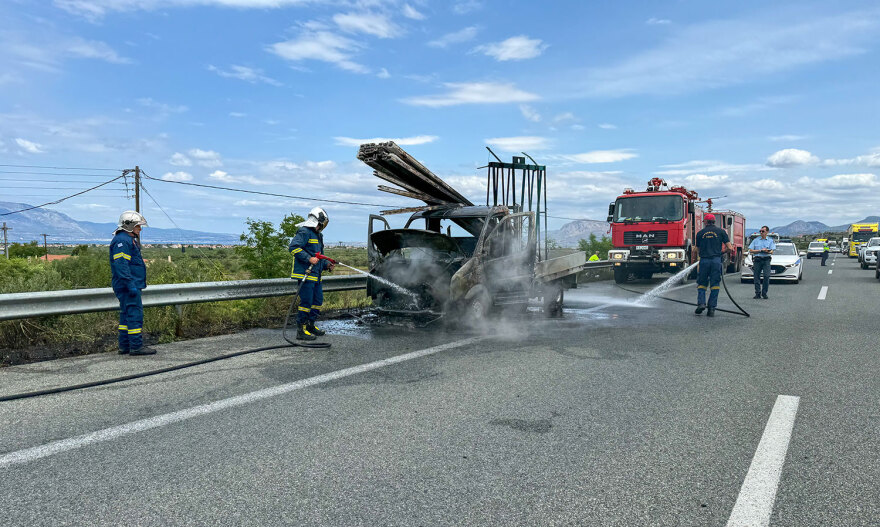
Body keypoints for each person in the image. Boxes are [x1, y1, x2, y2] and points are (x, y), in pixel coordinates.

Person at [110, 211, 155, 355]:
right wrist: (130, 285)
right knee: (135, 314)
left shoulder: (126, 239)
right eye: (137, 226)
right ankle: (136, 346)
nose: (140, 229)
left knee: (126, 315)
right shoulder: (123, 241)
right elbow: (121, 265)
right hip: (128, 285)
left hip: (127, 284)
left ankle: (124, 346)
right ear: (128, 226)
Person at [289, 207, 335, 341]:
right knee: (306, 302)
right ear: (317, 221)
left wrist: (326, 265)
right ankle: (301, 330)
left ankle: (310, 325)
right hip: (305, 274)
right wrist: (308, 258)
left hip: (316, 275)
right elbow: (293, 248)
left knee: (317, 301)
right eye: (322, 223)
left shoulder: (318, 235)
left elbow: (318, 256)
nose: (323, 226)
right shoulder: (304, 232)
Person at [694, 213, 734, 317]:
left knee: (702, 283)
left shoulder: (700, 233)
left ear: (705, 222)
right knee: (715, 284)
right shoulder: (721, 232)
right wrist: (721, 253)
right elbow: (730, 247)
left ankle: (701, 304)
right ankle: (711, 309)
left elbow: (697, 249)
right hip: (716, 261)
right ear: (714, 221)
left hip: (704, 260)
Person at [748, 226, 776, 299]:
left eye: (763, 231)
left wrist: (767, 251)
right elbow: (751, 250)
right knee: (756, 276)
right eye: (760, 231)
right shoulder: (756, 240)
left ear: (767, 232)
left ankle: (764, 293)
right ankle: (757, 293)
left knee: (766, 276)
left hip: (766, 259)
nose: (761, 232)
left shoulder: (770, 240)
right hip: (757, 259)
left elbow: (772, 251)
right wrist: (760, 250)